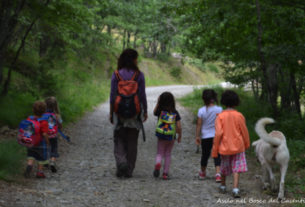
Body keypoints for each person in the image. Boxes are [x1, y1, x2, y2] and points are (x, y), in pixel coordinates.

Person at [109, 48, 148, 178]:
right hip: (134, 112)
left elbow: (112, 95)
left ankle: (121, 162)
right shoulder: (139, 75)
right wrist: (145, 111)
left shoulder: (116, 74)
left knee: (119, 138)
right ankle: (129, 170)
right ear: (133, 60)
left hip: (119, 111)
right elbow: (142, 95)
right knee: (132, 140)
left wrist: (111, 112)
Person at [211, 90, 250, 198]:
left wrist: (215, 149)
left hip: (224, 146)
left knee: (224, 165)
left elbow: (218, 133)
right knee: (236, 168)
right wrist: (247, 144)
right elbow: (244, 131)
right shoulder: (239, 116)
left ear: (223, 102)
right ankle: (235, 188)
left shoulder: (220, 116)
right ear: (236, 102)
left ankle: (223, 186)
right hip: (238, 146)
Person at [153, 92, 182, 180]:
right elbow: (179, 126)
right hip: (171, 136)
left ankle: (158, 163)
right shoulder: (175, 112)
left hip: (161, 135)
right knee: (168, 154)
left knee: (160, 153)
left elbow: (154, 112)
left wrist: (158, 103)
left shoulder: (160, 111)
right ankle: (165, 173)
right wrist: (179, 135)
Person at [195, 89, 222, 182]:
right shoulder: (219, 110)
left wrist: (197, 136)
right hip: (217, 136)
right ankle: (218, 174)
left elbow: (199, 124)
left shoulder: (201, 111)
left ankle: (202, 172)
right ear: (214, 98)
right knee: (217, 155)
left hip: (205, 136)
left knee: (205, 155)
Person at [24, 101, 50, 178]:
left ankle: (29, 165)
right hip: (40, 143)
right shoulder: (44, 122)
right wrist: (48, 142)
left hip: (30, 141)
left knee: (31, 155)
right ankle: (39, 172)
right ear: (44, 111)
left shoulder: (29, 118)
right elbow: (45, 134)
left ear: (33, 110)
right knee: (41, 158)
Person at [45, 96, 63, 173]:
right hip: (53, 135)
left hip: (44, 135)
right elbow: (60, 125)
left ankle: (45, 161)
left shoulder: (43, 115)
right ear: (56, 106)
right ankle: (52, 162)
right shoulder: (57, 115)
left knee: (45, 148)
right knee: (54, 149)